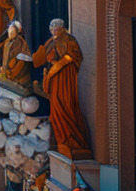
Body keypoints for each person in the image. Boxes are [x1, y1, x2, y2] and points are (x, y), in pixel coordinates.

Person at [31, 19, 92, 156]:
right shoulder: (50, 41)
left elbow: (76, 56)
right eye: (51, 29)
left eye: (56, 29)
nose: (53, 31)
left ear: (62, 29)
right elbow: (39, 57)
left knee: (65, 108)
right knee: (55, 112)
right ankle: (61, 140)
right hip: (53, 80)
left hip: (65, 80)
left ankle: (71, 141)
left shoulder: (69, 40)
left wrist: (60, 64)